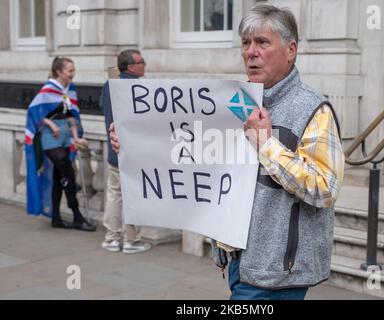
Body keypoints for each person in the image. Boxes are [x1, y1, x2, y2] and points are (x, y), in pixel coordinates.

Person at [110, 5, 345, 300]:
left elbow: (325, 188)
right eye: (246, 43)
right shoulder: (236, 101)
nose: (250, 52)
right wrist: (133, 145)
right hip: (237, 261)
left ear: (291, 50)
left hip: (277, 272)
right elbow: (192, 154)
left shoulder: (313, 109)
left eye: (262, 42)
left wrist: (266, 145)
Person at [25, 57, 96, 232]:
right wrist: (51, 124)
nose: (73, 73)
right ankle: (77, 216)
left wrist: (75, 137)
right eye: (70, 70)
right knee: (68, 174)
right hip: (51, 137)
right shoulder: (47, 90)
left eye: (73, 70)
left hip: (66, 135)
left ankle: (56, 218)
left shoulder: (69, 90)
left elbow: (71, 115)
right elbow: (34, 113)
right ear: (59, 72)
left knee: (58, 178)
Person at [100, 50, 152, 254]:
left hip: (115, 151)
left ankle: (112, 238)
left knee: (115, 194)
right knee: (133, 195)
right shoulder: (137, 87)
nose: (144, 65)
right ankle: (131, 240)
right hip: (133, 152)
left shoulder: (110, 84)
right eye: (142, 62)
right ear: (131, 67)